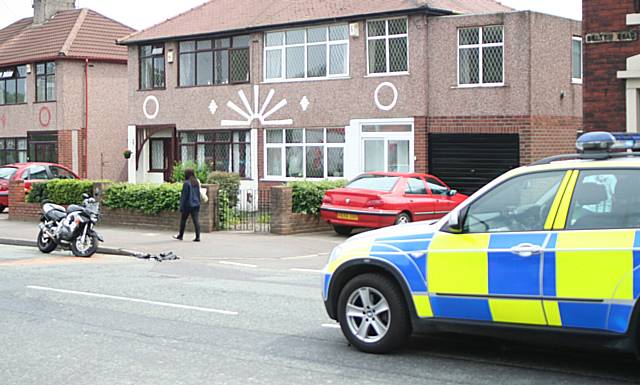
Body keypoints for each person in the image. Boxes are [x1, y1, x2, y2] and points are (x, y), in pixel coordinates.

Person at [173, 168, 201, 242]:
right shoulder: (196, 182)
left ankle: (181, 235)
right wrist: (198, 203)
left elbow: (184, 196)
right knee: (196, 221)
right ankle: (198, 236)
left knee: (183, 220)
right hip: (196, 204)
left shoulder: (186, 183)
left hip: (188, 205)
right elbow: (198, 194)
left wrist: (181, 206)